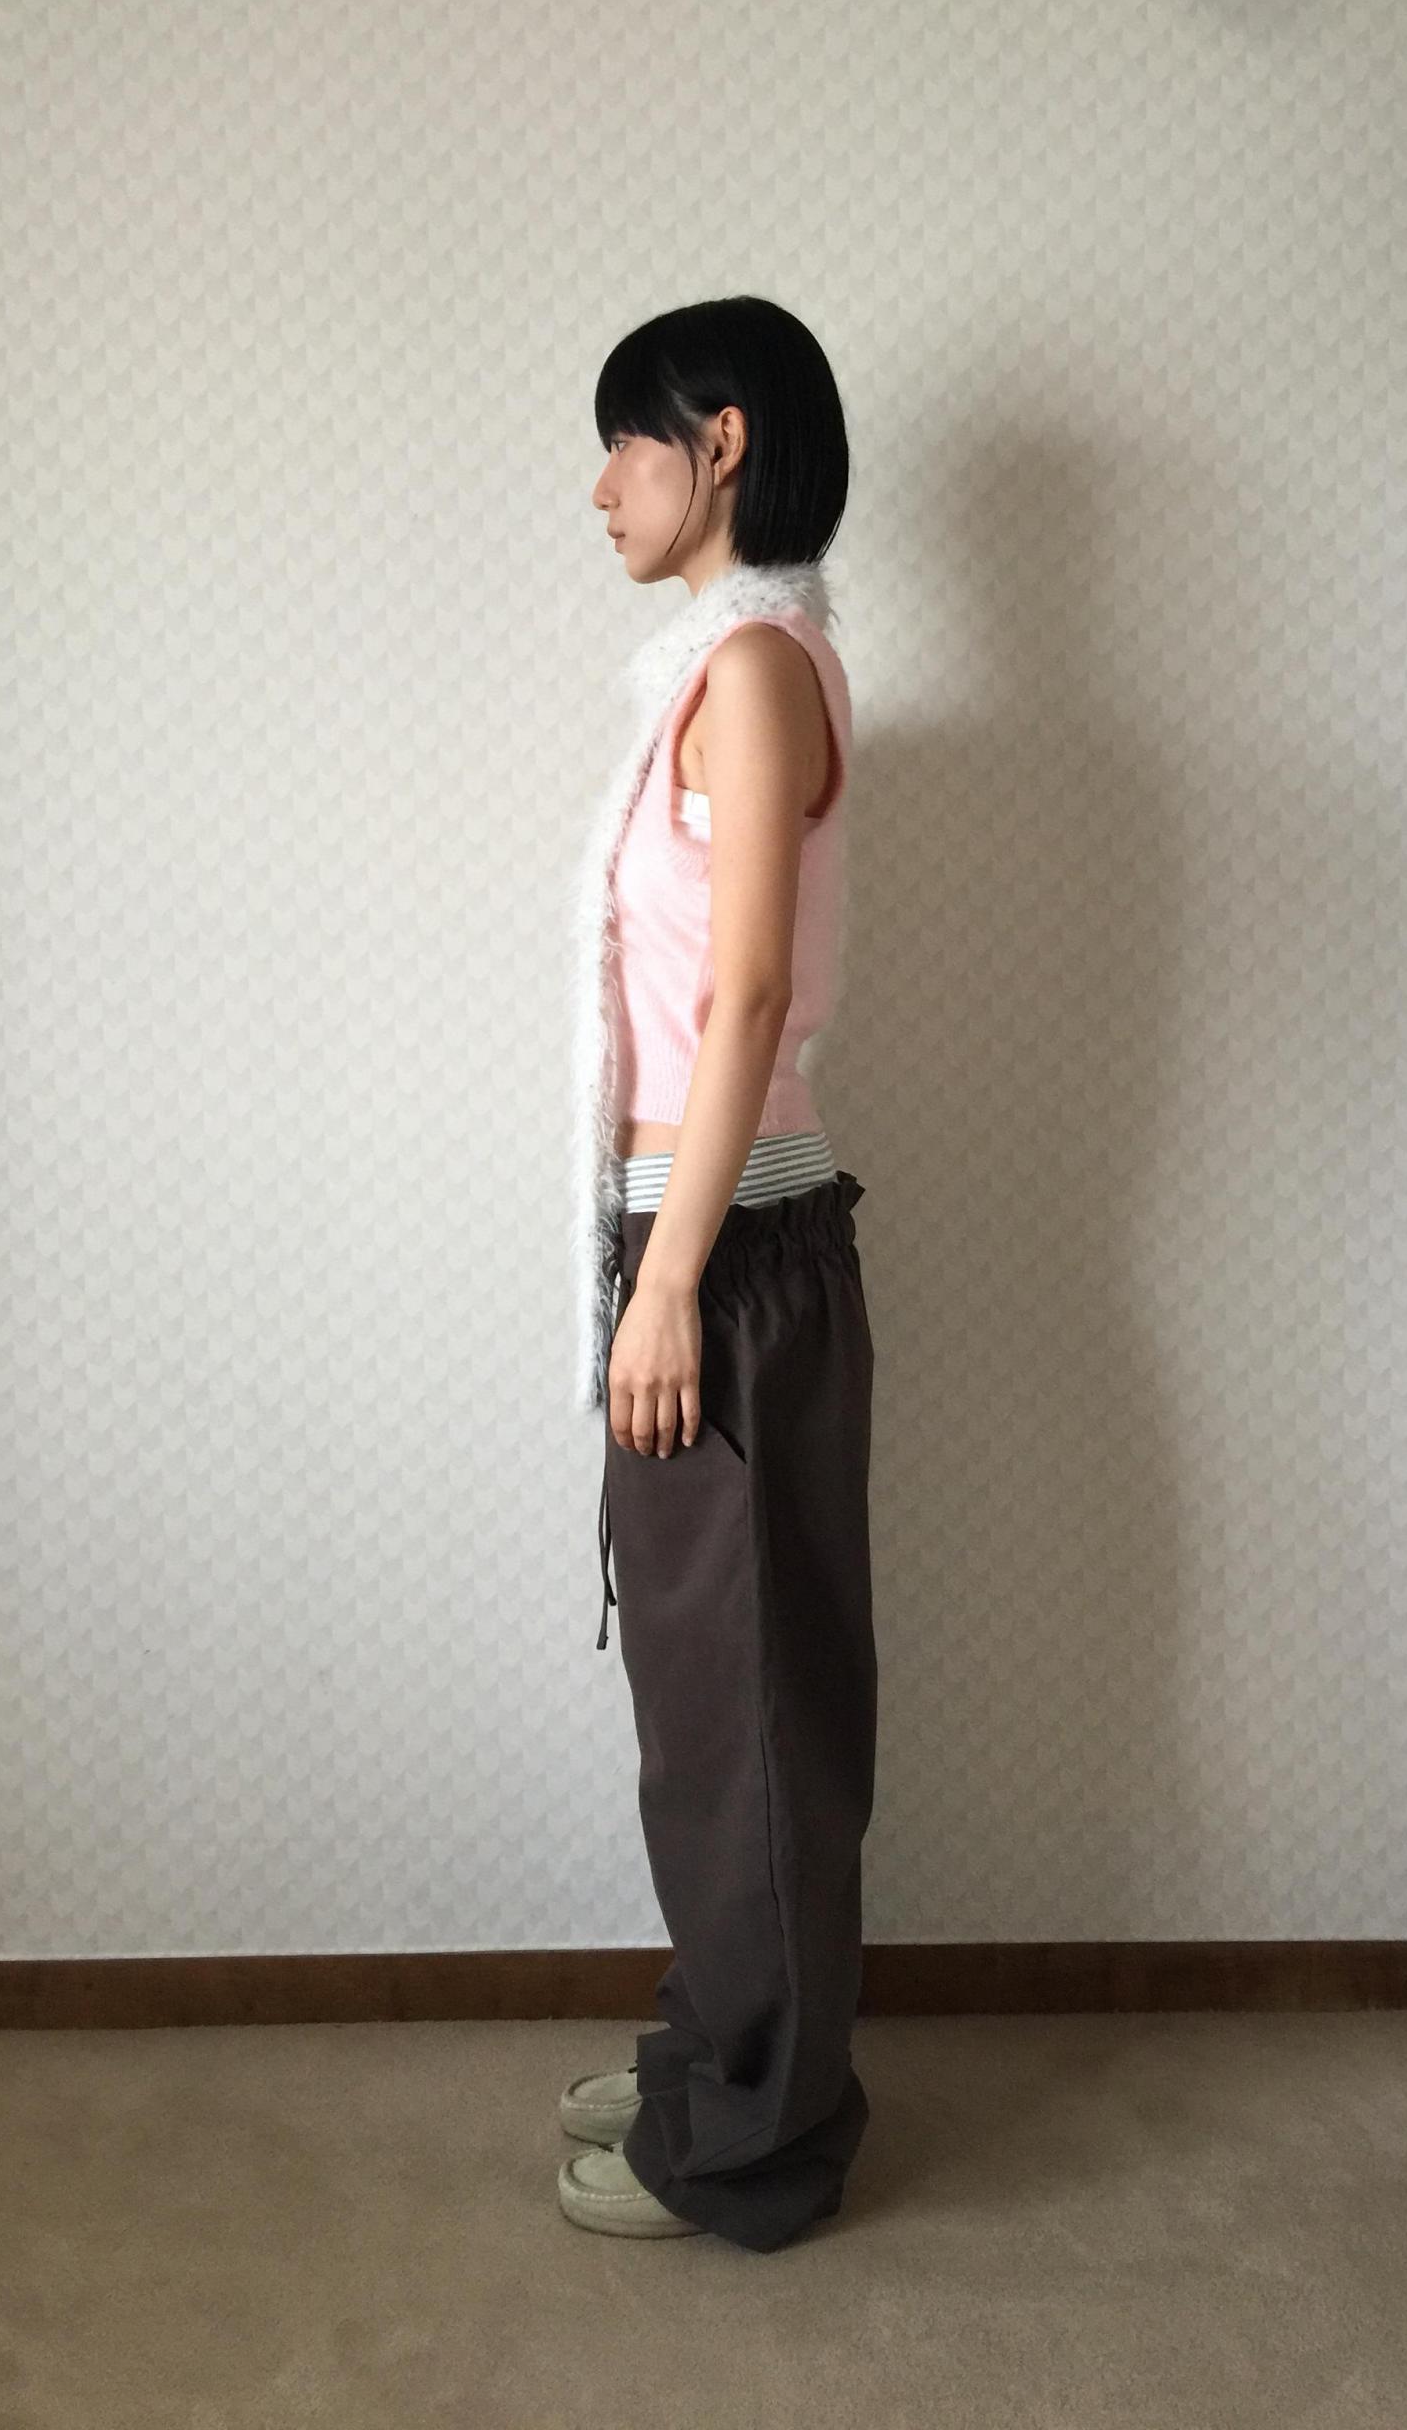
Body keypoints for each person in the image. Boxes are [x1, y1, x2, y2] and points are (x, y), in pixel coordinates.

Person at [557, 295, 879, 2252]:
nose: (601, 488)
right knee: (719, 1710)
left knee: (748, 1723)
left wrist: (667, 1289)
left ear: (723, 441)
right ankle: (730, 2055)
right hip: (708, 1237)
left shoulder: (753, 669)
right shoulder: (729, 666)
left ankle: (758, 2136)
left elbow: (745, 995)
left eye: (625, 442)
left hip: (727, 1251)